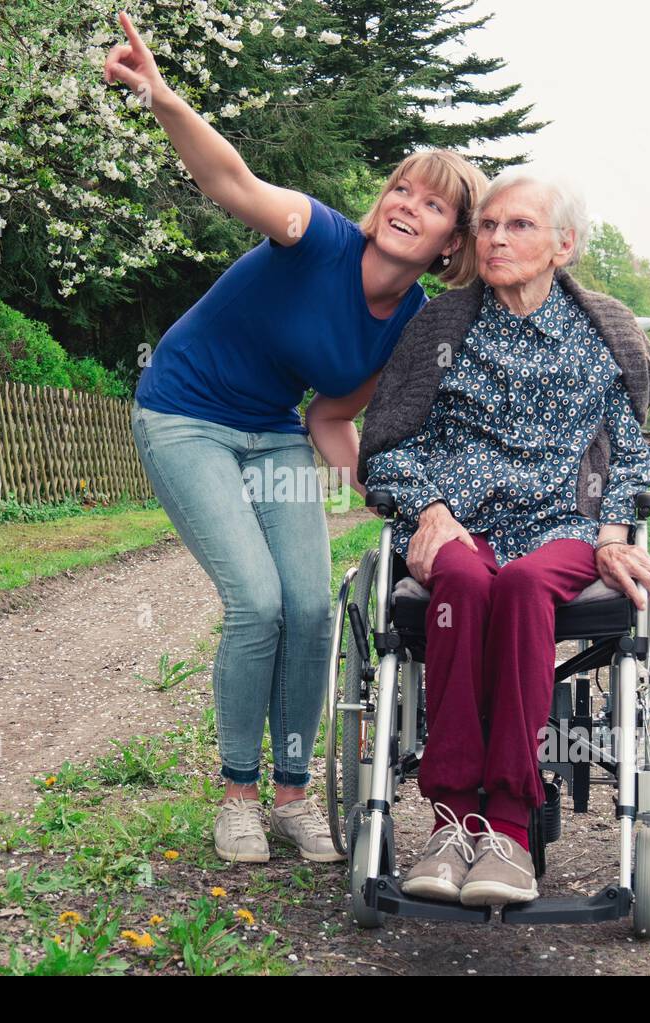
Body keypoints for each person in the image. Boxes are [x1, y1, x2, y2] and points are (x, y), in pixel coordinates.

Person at [103, 11, 489, 863]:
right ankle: (237, 795)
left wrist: (386, 495)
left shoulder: (410, 324)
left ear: (449, 243)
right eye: (401, 188)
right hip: (186, 414)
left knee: (313, 608)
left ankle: (291, 796)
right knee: (259, 601)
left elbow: (329, 417)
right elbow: (229, 180)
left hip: (273, 431)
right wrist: (162, 97)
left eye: (431, 206)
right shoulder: (311, 234)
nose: (406, 206)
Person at [359, 169, 650, 904]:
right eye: (488, 225)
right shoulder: (442, 329)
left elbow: (633, 447)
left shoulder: (602, 333)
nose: (496, 238)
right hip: (460, 523)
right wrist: (428, 508)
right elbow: (389, 441)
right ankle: (451, 820)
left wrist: (617, 530)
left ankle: (510, 832)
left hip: (562, 525)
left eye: (518, 226)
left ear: (564, 244)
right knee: (462, 581)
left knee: (524, 584)